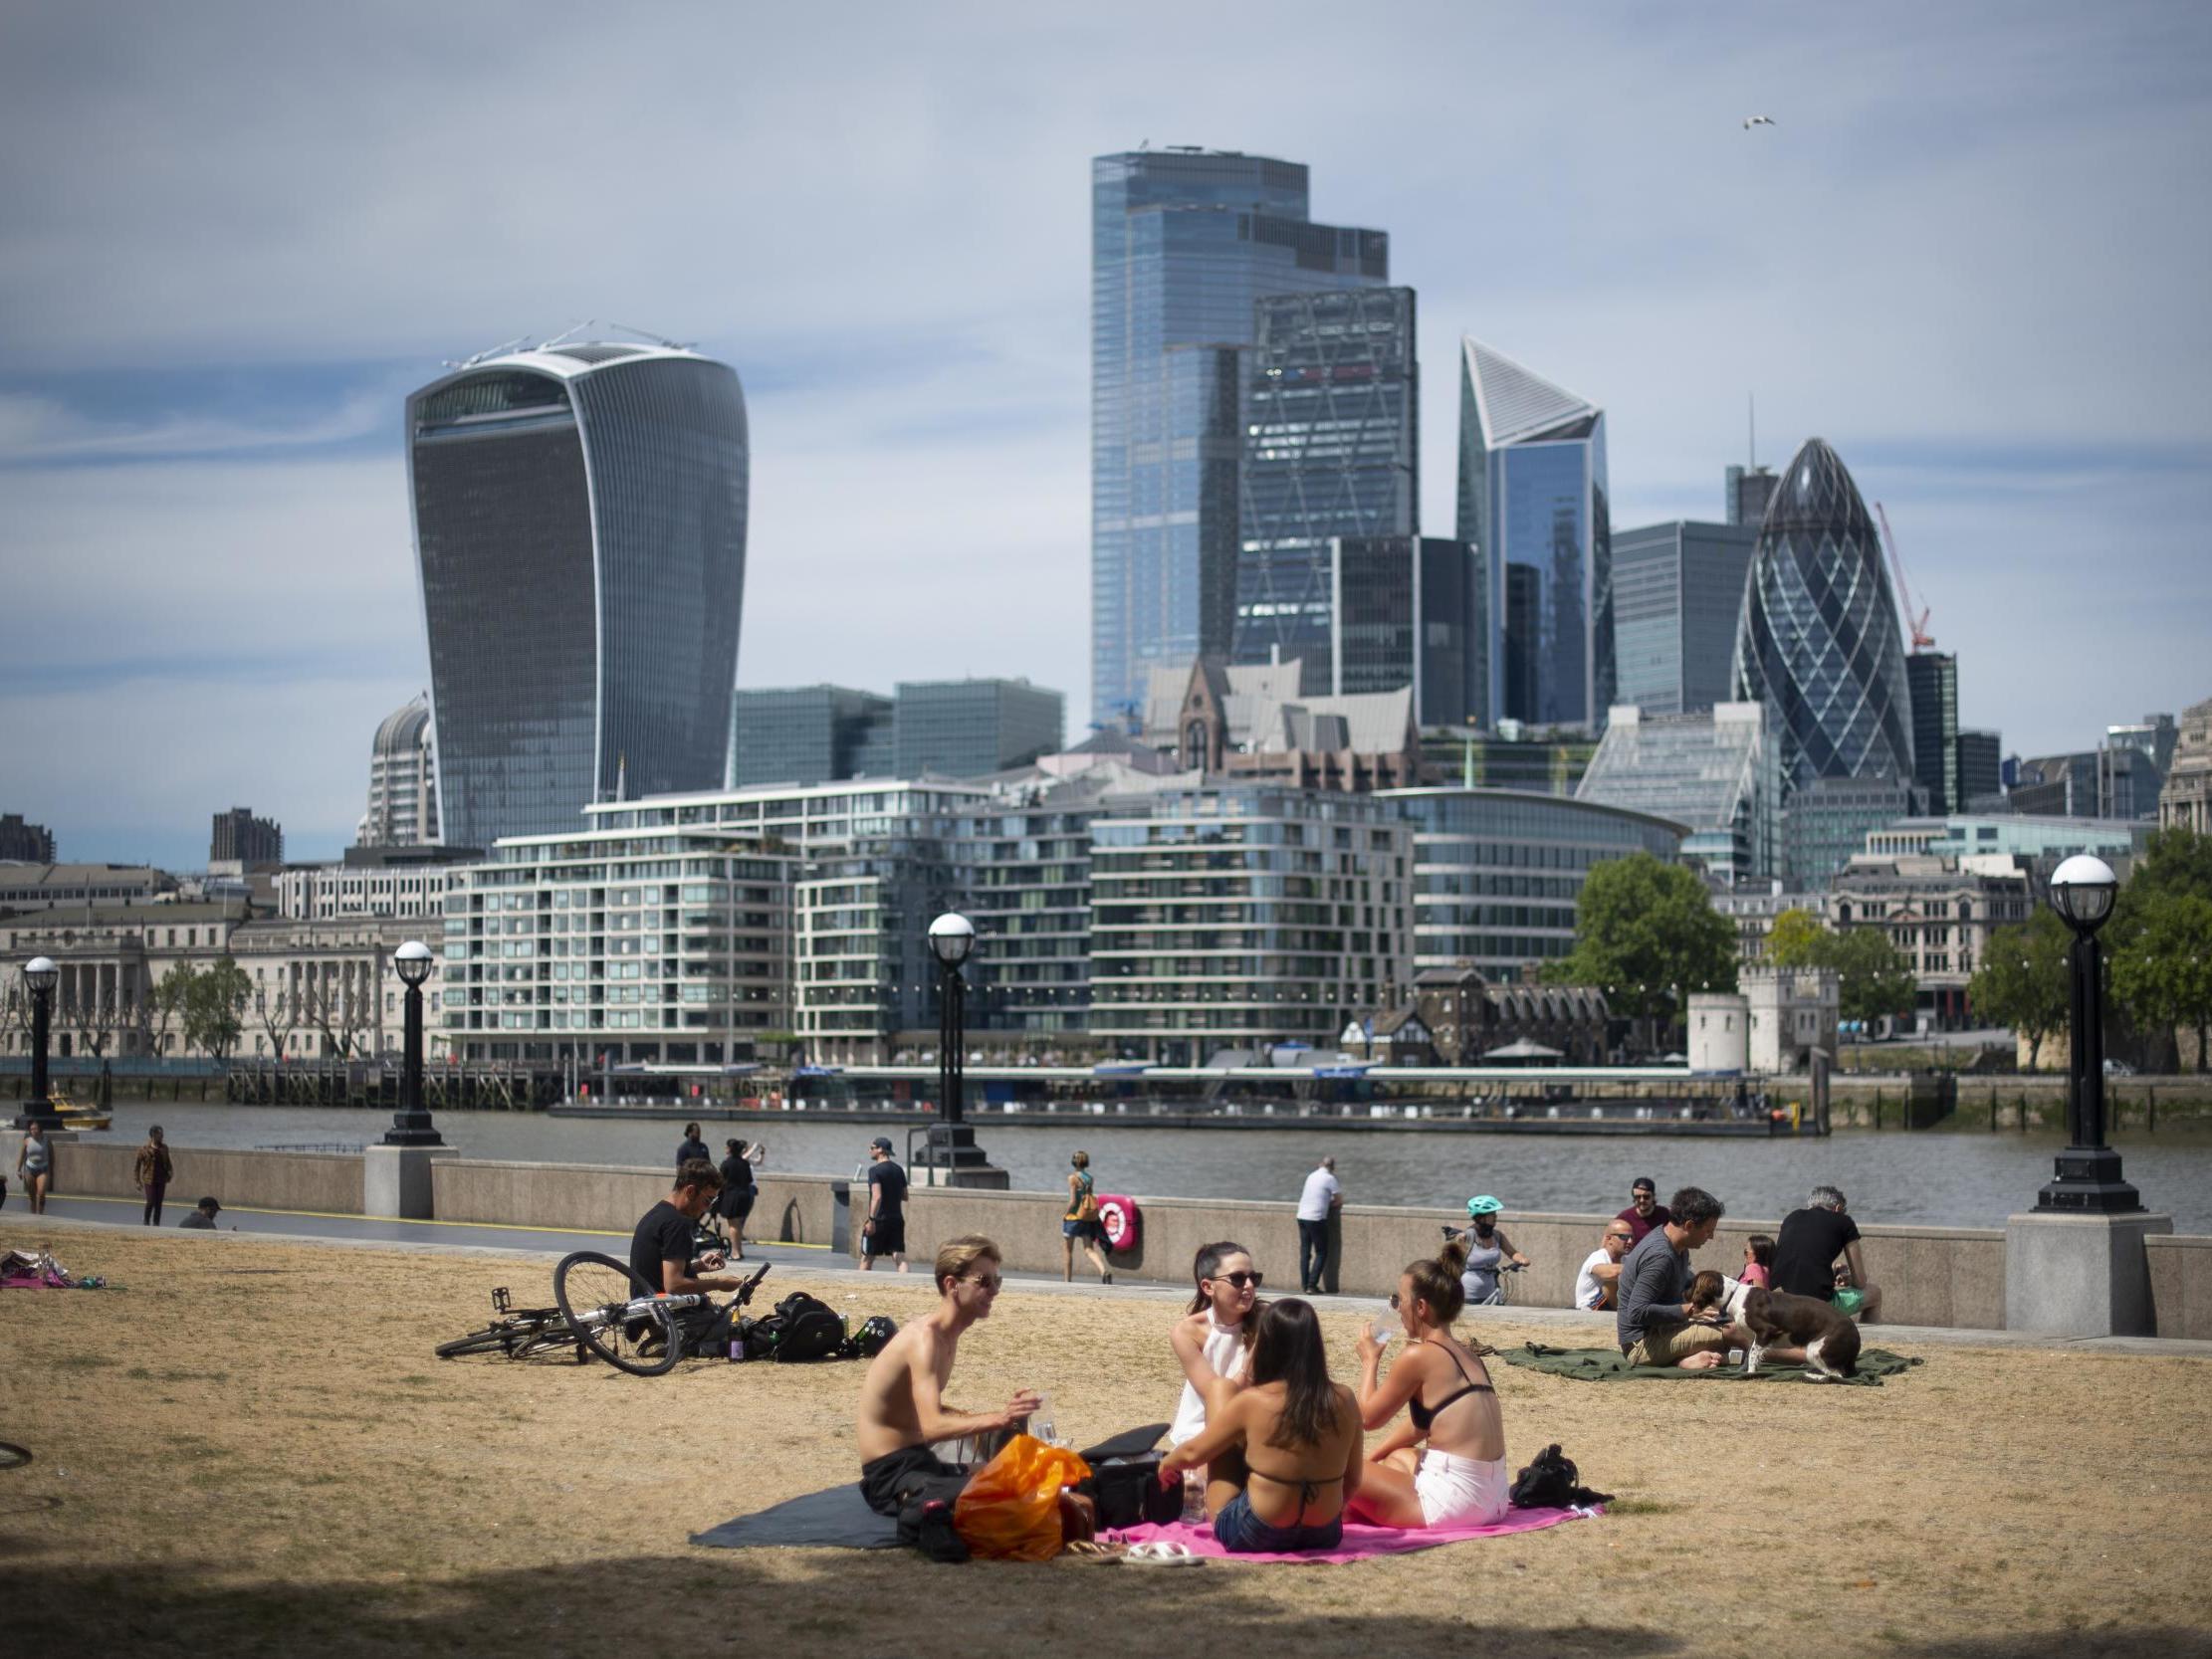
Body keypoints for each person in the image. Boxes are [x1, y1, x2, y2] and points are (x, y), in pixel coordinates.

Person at [856, 1235, 1043, 1531]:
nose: (994, 1291)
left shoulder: (948, 1336)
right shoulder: (925, 1340)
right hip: (891, 1474)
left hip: (918, 1460)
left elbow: (919, 1415)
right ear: (951, 1285)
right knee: (1003, 1498)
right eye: (984, 1281)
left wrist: (1011, 1422)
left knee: (1028, 1477)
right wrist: (1000, 1418)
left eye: (998, 1281)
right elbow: (932, 1425)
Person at [1159, 1299, 1364, 1554]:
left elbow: (1192, 1454)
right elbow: (1353, 1479)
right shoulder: (1345, 1398)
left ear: (1266, 1345)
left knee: (1220, 1390)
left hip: (1257, 1531)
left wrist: (1167, 1464)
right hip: (1324, 1532)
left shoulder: (1255, 1402)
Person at [1347, 1235, 1509, 1528]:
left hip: (1455, 1504)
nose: (1395, 1308)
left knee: (1338, 1469)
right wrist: (1374, 1459)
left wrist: (1370, 1360)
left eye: (1398, 1300)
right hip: (1494, 1499)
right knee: (1398, 1458)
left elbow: (1367, 1418)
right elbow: (1421, 1426)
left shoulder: (1419, 1356)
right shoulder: (1468, 1354)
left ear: (1420, 1307)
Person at [1616, 1185, 1789, 1370]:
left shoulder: (1676, 1246)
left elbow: (1684, 1288)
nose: (1712, 1237)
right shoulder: (1661, 1257)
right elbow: (1637, 1312)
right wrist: (1688, 1310)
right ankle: (1809, 1357)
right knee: (1737, 1331)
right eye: (1708, 1231)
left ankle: (1684, 1360)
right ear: (1689, 1226)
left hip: (1664, 1330)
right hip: (1641, 1345)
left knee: (1736, 1321)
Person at [1168, 1241, 1264, 1510]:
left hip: (1257, 1428)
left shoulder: (1268, 1320)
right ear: (1208, 1287)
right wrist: (1253, 1359)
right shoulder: (1187, 1331)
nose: (1248, 1286)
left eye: (1253, 1277)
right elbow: (1218, 1397)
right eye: (1237, 1278)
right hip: (1205, 1431)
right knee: (1202, 1486)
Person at [629, 1159, 746, 1299]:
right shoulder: (677, 1223)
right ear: (690, 1191)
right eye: (708, 1200)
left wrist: (699, 1266)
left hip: (646, 1307)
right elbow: (673, 1285)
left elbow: (657, 1275)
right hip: (667, 1314)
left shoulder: (657, 1214)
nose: (708, 1208)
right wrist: (719, 1283)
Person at [1773, 1185, 1883, 1321]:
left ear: (1810, 1206)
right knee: (1875, 1293)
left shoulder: (1791, 1218)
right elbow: (1860, 1282)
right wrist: (1850, 1280)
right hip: (1819, 1306)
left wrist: (1832, 1272)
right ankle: (1867, 1340)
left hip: (1783, 1298)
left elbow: (1795, 1262)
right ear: (1838, 1208)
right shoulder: (1844, 1221)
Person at [1454, 1196, 1529, 1305]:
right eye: (1492, 1214)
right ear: (1481, 1217)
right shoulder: (1468, 1236)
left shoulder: (1497, 1235)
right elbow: (1451, 1260)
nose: (1496, 1217)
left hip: (1491, 1290)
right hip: (1469, 1293)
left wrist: (1522, 1259)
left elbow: (1512, 1253)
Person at [1061, 1149, 1112, 1284]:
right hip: (1086, 1217)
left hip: (1073, 1218)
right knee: (1089, 1249)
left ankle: (1067, 1280)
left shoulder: (1072, 1178)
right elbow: (1088, 1198)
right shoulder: (1090, 1178)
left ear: (1074, 1162)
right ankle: (1103, 1271)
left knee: (1068, 1250)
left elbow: (1073, 1201)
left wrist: (1065, 1214)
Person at [1295, 1156, 1342, 1294]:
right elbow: (1339, 1201)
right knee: (1321, 1252)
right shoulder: (1330, 1178)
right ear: (1332, 1167)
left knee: (1305, 1252)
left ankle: (1304, 1285)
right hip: (1316, 1218)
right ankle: (1311, 1285)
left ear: (1320, 1164)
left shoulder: (1311, 1176)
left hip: (1301, 1216)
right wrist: (1327, 1205)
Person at [862, 1137, 909, 1273]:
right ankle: (908, 1285)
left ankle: (858, 1287)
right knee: (899, 1255)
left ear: (880, 1150)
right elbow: (905, 1196)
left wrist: (871, 1220)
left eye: (872, 1148)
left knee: (867, 1257)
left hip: (879, 1220)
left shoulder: (874, 1171)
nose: (869, 1150)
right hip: (896, 1219)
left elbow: (877, 1197)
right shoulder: (898, 1170)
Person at [1574, 1218, 1638, 1311]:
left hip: (1608, 1306)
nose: (1630, 1241)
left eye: (1632, 1237)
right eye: (1624, 1237)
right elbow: (1612, 1273)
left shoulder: (1626, 1259)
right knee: (1611, 1282)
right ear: (1609, 1238)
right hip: (1589, 1307)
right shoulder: (1597, 1256)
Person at [716, 1139, 759, 1260]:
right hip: (744, 1196)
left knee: (732, 1225)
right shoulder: (744, 1163)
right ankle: (739, 1250)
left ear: (730, 1149)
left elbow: (719, 1181)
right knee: (738, 1224)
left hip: (732, 1197)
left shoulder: (727, 1163)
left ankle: (735, 1253)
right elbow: (749, 1180)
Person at [134, 1126, 174, 1226]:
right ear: (153, 1135)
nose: (162, 1135)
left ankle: (156, 1223)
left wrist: (170, 1173)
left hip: (161, 1179)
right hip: (149, 1179)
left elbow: (168, 1162)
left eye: (162, 1133)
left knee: (159, 1203)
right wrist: (137, 1181)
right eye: (159, 1133)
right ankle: (146, 1220)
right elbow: (137, 1167)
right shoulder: (144, 1150)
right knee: (151, 1201)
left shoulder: (164, 1148)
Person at [1616, 1177, 1670, 1245]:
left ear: (1653, 1196)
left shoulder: (1665, 1214)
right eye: (1638, 1197)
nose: (1642, 1200)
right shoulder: (1623, 1218)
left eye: (1646, 1197)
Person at [16, 1122, 52, 1215]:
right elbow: (22, 1156)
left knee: (41, 1192)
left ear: (40, 1129)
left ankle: (40, 1214)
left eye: (35, 1129)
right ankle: (33, 1215)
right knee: (32, 1196)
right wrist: (18, 1170)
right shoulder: (27, 1141)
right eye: (31, 1129)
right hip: (30, 1169)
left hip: (43, 1169)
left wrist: (51, 1169)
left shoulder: (46, 1141)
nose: (33, 1131)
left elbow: (52, 1156)